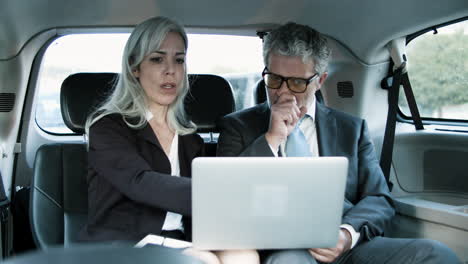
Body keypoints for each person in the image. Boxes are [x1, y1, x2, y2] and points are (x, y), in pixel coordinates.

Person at [216, 22, 461, 264]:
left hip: (345, 246)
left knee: (435, 253)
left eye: (297, 83)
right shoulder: (237, 126)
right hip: (282, 245)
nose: (283, 92)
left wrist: (345, 235)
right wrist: (271, 138)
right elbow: (226, 197)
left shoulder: (351, 129)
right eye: (274, 80)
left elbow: (379, 198)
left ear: (320, 80)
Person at [79, 16, 259, 264]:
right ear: (135, 67)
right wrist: (222, 194)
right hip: (124, 244)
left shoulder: (189, 138)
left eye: (179, 60)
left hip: (181, 241)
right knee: (202, 260)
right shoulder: (107, 126)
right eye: (157, 59)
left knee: (244, 255)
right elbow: (140, 182)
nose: (170, 70)